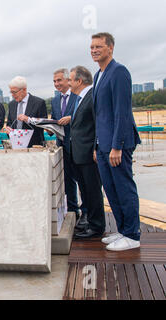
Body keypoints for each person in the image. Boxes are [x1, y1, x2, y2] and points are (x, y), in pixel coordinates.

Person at [91, 32, 142, 251]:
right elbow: (99, 114)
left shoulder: (119, 72)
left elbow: (122, 112)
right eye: (92, 47)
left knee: (123, 188)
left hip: (116, 144)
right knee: (110, 190)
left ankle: (132, 234)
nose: (94, 50)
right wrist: (96, 145)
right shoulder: (98, 75)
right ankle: (122, 229)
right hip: (102, 144)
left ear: (110, 48)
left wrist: (117, 146)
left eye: (99, 47)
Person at [68, 66, 106, 239]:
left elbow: (98, 125)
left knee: (93, 191)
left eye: (70, 80)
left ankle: (97, 227)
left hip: (89, 154)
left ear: (79, 81)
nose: (68, 83)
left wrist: (96, 148)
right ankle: (90, 222)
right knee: (85, 190)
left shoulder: (92, 97)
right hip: (79, 154)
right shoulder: (80, 99)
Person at [51, 69, 87, 228]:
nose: (57, 84)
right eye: (54, 81)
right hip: (62, 145)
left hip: (78, 145)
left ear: (69, 80)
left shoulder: (78, 96)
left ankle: (86, 211)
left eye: (59, 80)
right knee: (67, 180)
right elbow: (54, 119)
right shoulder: (55, 100)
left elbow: (86, 115)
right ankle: (73, 210)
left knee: (84, 180)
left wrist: (71, 118)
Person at [6, 76, 47, 147]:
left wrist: (28, 119)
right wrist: (8, 130)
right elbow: (9, 123)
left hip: (35, 147)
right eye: (11, 92)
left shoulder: (39, 103)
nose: (12, 95)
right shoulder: (11, 105)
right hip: (16, 146)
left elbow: (44, 123)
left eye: (14, 92)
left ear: (24, 90)